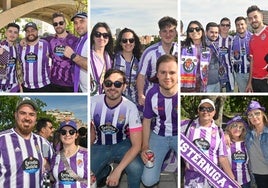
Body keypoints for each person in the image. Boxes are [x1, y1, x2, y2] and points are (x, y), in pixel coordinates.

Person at [91, 68, 143, 188]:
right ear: (103, 85)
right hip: (99, 145)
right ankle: (105, 171)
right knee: (86, 174)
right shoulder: (92, 102)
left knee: (137, 168)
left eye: (118, 84)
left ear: (124, 87)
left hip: (122, 145)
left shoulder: (130, 107)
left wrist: (118, 171)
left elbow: (136, 145)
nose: (112, 87)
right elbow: (90, 132)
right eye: (108, 83)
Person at [140, 54, 178, 187]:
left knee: (197, 166)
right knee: (148, 180)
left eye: (172, 72)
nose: (167, 77)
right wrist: (145, 147)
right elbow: (146, 120)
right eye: (163, 72)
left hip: (180, 137)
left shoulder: (184, 92)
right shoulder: (152, 93)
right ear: (157, 74)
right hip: (159, 136)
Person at [181, 98, 236, 187]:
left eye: (209, 109)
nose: (205, 111)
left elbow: (223, 158)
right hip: (191, 178)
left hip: (212, 179)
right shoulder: (187, 125)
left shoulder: (219, 131)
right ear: (198, 111)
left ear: (214, 113)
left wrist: (232, 180)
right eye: (202, 108)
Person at [0, 97, 53, 187]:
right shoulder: (2, 140)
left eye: (31, 114)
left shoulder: (43, 142)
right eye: (23, 113)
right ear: (15, 115)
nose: (27, 118)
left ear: (35, 118)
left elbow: (55, 168)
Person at [137, 16, 178, 106]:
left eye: (171, 31)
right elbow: (141, 75)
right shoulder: (149, 52)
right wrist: (140, 95)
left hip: (174, 97)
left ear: (175, 33)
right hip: (153, 97)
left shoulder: (180, 50)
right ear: (160, 33)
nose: (168, 34)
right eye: (164, 31)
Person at [51, 120, 88, 187]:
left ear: (76, 135)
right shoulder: (55, 156)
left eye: (71, 132)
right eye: (63, 132)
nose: (67, 134)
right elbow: (53, 179)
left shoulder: (86, 154)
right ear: (60, 135)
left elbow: (92, 180)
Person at [49, 12, 79, 92]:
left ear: (65, 24)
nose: (58, 25)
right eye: (55, 24)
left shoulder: (75, 41)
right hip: (54, 82)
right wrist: (24, 40)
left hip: (70, 84)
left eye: (61, 23)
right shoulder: (50, 40)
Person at [113, 28, 142, 109]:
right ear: (120, 43)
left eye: (131, 40)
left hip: (136, 102)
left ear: (135, 42)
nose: (128, 43)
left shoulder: (140, 60)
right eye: (124, 40)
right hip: (117, 101)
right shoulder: (114, 59)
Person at [19, 22, 51, 92]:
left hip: (44, 86)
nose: (30, 33)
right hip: (26, 87)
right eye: (27, 31)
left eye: (33, 30)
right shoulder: (20, 47)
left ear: (37, 31)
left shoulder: (45, 44)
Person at [181, 20, 211, 92]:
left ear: (202, 31)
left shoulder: (208, 49)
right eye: (191, 30)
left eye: (197, 29)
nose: (194, 31)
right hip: (185, 86)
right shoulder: (182, 47)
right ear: (188, 33)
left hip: (202, 85)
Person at [244, 100, 268, 187]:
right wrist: (227, 134)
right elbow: (233, 130)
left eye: (257, 113)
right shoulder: (248, 135)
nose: (254, 117)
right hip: (256, 175)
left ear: (262, 115)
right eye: (250, 115)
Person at [245, 5, 268, 92]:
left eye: (255, 17)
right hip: (255, 81)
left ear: (261, 16)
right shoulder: (252, 39)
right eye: (250, 18)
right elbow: (252, 61)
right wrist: (249, 82)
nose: (253, 20)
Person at [64, 12, 88, 92]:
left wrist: (73, 56)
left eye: (82, 21)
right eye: (76, 23)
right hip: (80, 86)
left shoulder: (90, 40)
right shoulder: (80, 40)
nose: (78, 26)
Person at [225, 116, 251, 188]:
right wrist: (225, 134)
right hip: (227, 181)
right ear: (229, 128)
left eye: (240, 127)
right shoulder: (224, 142)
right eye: (234, 126)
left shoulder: (247, 143)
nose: (237, 129)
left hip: (245, 182)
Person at [89, 22, 113, 96]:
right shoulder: (87, 56)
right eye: (98, 35)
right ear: (93, 37)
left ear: (108, 39)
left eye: (105, 35)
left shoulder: (111, 58)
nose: (101, 38)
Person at [231, 16, 252, 92]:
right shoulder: (233, 40)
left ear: (246, 25)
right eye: (238, 25)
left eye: (242, 24)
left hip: (252, 73)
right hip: (239, 74)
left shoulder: (253, 37)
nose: (240, 26)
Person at [0, 22, 22, 92]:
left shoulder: (19, 47)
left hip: (14, 85)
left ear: (18, 35)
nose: (12, 34)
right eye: (10, 31)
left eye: (15, 32)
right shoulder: (1, 46)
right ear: (6, 33)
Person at [218, 17, 234, 92]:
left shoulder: (232, 39)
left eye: (227, 25)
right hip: (217, 73)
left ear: (230, 27)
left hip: (229, 72)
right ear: (220, 26)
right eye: (223, 25)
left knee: (230, 92)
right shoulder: (215, 39)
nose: (225, 27)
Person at [205, 22, 221, 92]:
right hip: (207, 84)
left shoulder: (218, 45)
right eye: (211, 32)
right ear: (206, 32)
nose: (214, 35)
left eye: (216, 32)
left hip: (217, 82)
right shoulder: (202, 45)